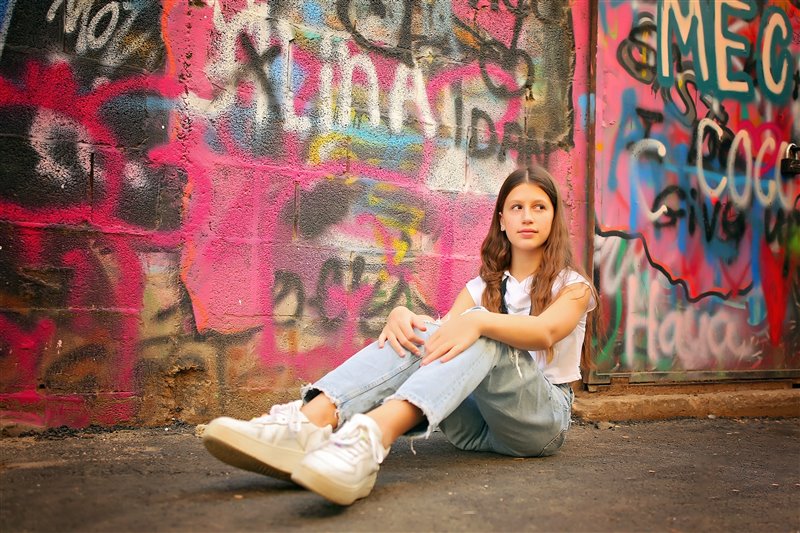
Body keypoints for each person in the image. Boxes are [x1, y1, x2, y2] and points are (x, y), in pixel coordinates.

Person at [202, 166, 597, 506]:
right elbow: (443, 338)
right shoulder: (480, 287)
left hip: (539, 423)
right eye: (517, 207)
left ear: (553, 218)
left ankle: (369, 438)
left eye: (539, 207)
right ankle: (309, 423)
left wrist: (478, 321)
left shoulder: (573, 286)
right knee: (430, 329)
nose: (528, 217)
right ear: (502, 220)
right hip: (476, 425)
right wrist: (402, 315)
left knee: (482, 326)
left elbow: (545, 332)